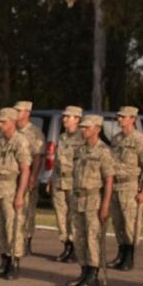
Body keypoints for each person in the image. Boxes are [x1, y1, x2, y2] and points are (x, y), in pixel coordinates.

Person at [66, 115, 114, 286]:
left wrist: (106, 205)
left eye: (87, 127)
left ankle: (93, 275)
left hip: (94, 199)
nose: (83, 130)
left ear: (97, 129)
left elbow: (109, 179)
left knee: (92, 237)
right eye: (83, 127)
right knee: (79, 236)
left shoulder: (103, 151)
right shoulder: (80, 150)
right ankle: (83, 271)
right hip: (78, 198)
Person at [108, 106, 143, 271]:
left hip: (131, 186)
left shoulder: (140, 140)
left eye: (123, 117)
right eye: (119, 116)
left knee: (130, 224)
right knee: (118, 222)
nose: (120, 119)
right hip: (116, 185)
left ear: (132, 119)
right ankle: (120, 254)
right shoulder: (116, 139)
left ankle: (129, 257)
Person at [0, 107, 31, 280]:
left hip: (12, 188)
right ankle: (4, 261)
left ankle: (14, 263)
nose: (0, 124)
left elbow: (25, 170)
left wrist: (20, 194)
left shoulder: (20, 141)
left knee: (13, 228)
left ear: (13, 122)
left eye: (3, 122)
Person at [50, 105, 84, 262]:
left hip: (74, 182)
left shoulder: (83, 138)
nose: (64, 119)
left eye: (67, 116)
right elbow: (57, 161)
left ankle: (76, 248)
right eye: (64, 116)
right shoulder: (62, 137)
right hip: (59, 181)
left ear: (77, 119)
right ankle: (67, 246)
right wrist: (51, 180)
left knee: (74, 216)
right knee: (61, 215)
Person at [14, 101, 45, 255]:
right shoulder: (13, 129)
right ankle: (15, 240)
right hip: (14, 176)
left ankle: (26, 240)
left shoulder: (34, 132)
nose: (16, 113)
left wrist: (33, 177)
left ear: (27, 113)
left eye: (19, 110)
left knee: (27, 209)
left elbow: (38, 157)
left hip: (28, 175)